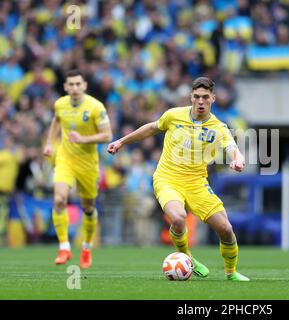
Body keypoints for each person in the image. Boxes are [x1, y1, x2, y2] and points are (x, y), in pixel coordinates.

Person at [107, 76, 250, 281]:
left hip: (197, 183)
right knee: (178, 217)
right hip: (167, 178)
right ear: (191, 97)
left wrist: (238, 160)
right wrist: (122, 141)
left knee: (226, 229)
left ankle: (231, 272)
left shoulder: (219, 128)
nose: (201, 101)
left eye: (205, 97)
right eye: (197, 97)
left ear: (213, 98)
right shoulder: (174, 115)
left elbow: (232, 149)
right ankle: (187, 257)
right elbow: (151, 128)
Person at [43, 69, 112, 268]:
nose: (74, 88)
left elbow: (107, 135)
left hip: (88, 163)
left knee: (88, 207)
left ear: (84, 86)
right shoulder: (60, 104)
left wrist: (84, 139)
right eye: (70, 84)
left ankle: (86, 248)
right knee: (59, 199)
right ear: (65, 87)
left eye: (77, 84)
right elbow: (57, 120)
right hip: (65, 158)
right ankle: (64, 247)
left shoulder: (95, 107)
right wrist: (49, 143)